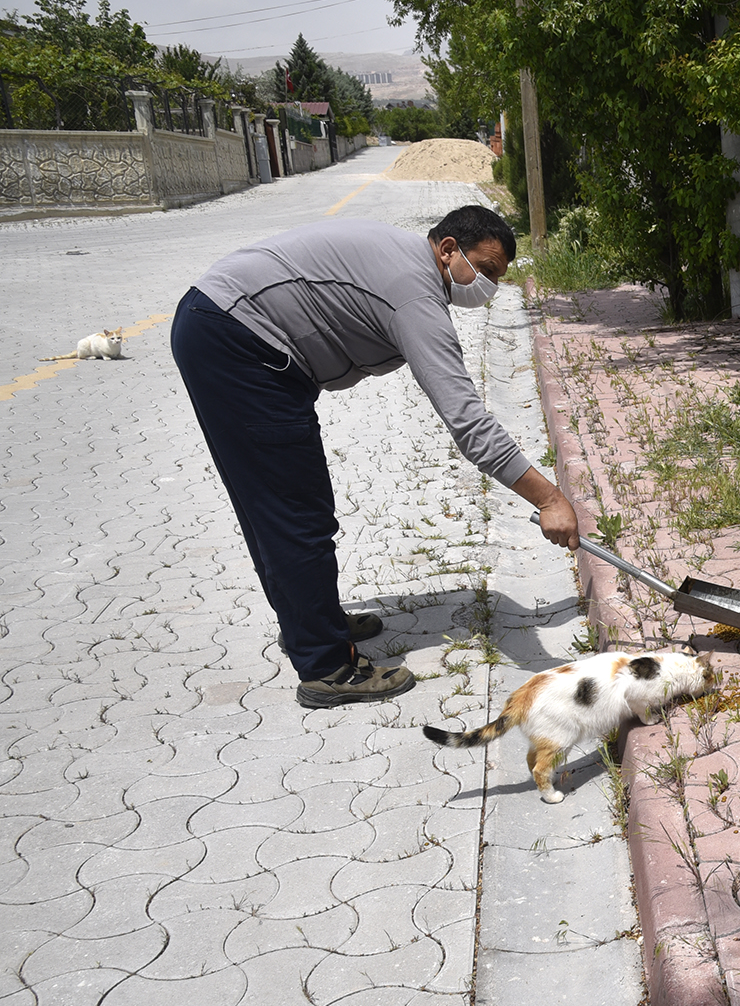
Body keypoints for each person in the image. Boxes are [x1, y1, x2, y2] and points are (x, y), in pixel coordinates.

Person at [170, 204, 582, 708]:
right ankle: (326, 665)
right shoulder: (414, 293)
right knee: (292, 512)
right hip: (238, 343)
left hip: (225, 327)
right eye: (486, 271)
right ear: (448, 248)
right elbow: (469, 424)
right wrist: (549, 498)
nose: (488, 287)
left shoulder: (409, 266)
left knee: (285, 504)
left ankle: (311, 618)